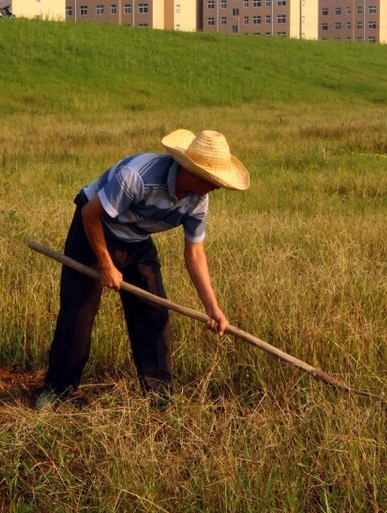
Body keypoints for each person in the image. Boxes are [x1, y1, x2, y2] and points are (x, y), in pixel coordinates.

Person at [36, 129, 249, 408]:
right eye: (213, 180)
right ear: (192, 172)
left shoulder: (198, 199)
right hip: (96, 228)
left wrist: (212, 307)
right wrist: (106, 264)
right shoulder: (138, 177)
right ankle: (57, 391)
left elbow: (195, 252)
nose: (218, 187)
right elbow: (90, 214)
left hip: (137, 239)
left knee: (153, 313)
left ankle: (160, 397)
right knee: (79, 311)